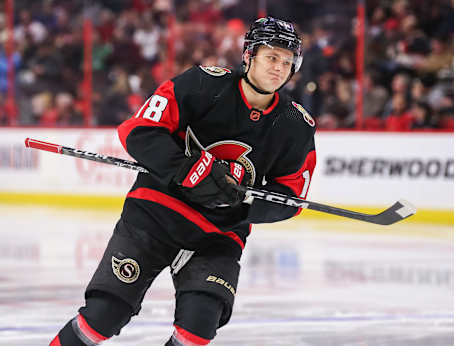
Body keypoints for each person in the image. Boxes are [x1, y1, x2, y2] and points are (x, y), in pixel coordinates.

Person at [50, 16, 316, 346]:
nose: (279, 68)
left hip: (218, 237)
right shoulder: (204, 85)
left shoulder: (296, 125)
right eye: (272, 57)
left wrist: (242, 200)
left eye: (287, 61)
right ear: (249, 56)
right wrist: (186, 169)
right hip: (154, 217)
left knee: (197, 330)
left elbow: (290, 197)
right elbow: (138, 130)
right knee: (102, 317)